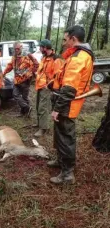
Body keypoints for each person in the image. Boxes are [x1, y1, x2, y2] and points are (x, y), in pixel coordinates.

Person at [48, 25, 94, 184]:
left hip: (67, 105)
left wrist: (57, 109)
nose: (64, 42)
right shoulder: (77, 56)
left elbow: (69, 88)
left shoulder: (78, 58)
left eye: (65, 39)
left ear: (74, 39)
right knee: (60, 135)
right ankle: (61, 162)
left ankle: (67, 174)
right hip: (67, 103)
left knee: (66, 138)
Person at [34, 39, 63, 137]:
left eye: (41, 47)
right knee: (38, 106)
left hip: (46, 87)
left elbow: (57, 76)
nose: (39, 48)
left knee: (43, 107)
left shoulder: (56, 59)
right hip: (40, 85)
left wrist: (48, 85)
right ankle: (39, 124)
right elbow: (42, 71)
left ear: (45, 48)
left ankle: (43, 128)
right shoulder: (44, 57)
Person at [3, 41, 39, 117]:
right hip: (17, 80)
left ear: (21, 47)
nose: (16, 50)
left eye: (18, 49)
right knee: (15, 95)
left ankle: (25, 113)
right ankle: (27, 108)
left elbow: (36, 64)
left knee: (25, 97)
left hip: (26, 80)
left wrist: (31, 72)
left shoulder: (27, 55)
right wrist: (4, 73)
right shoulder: (14, 57)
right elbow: (10, 66)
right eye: (15, 49)